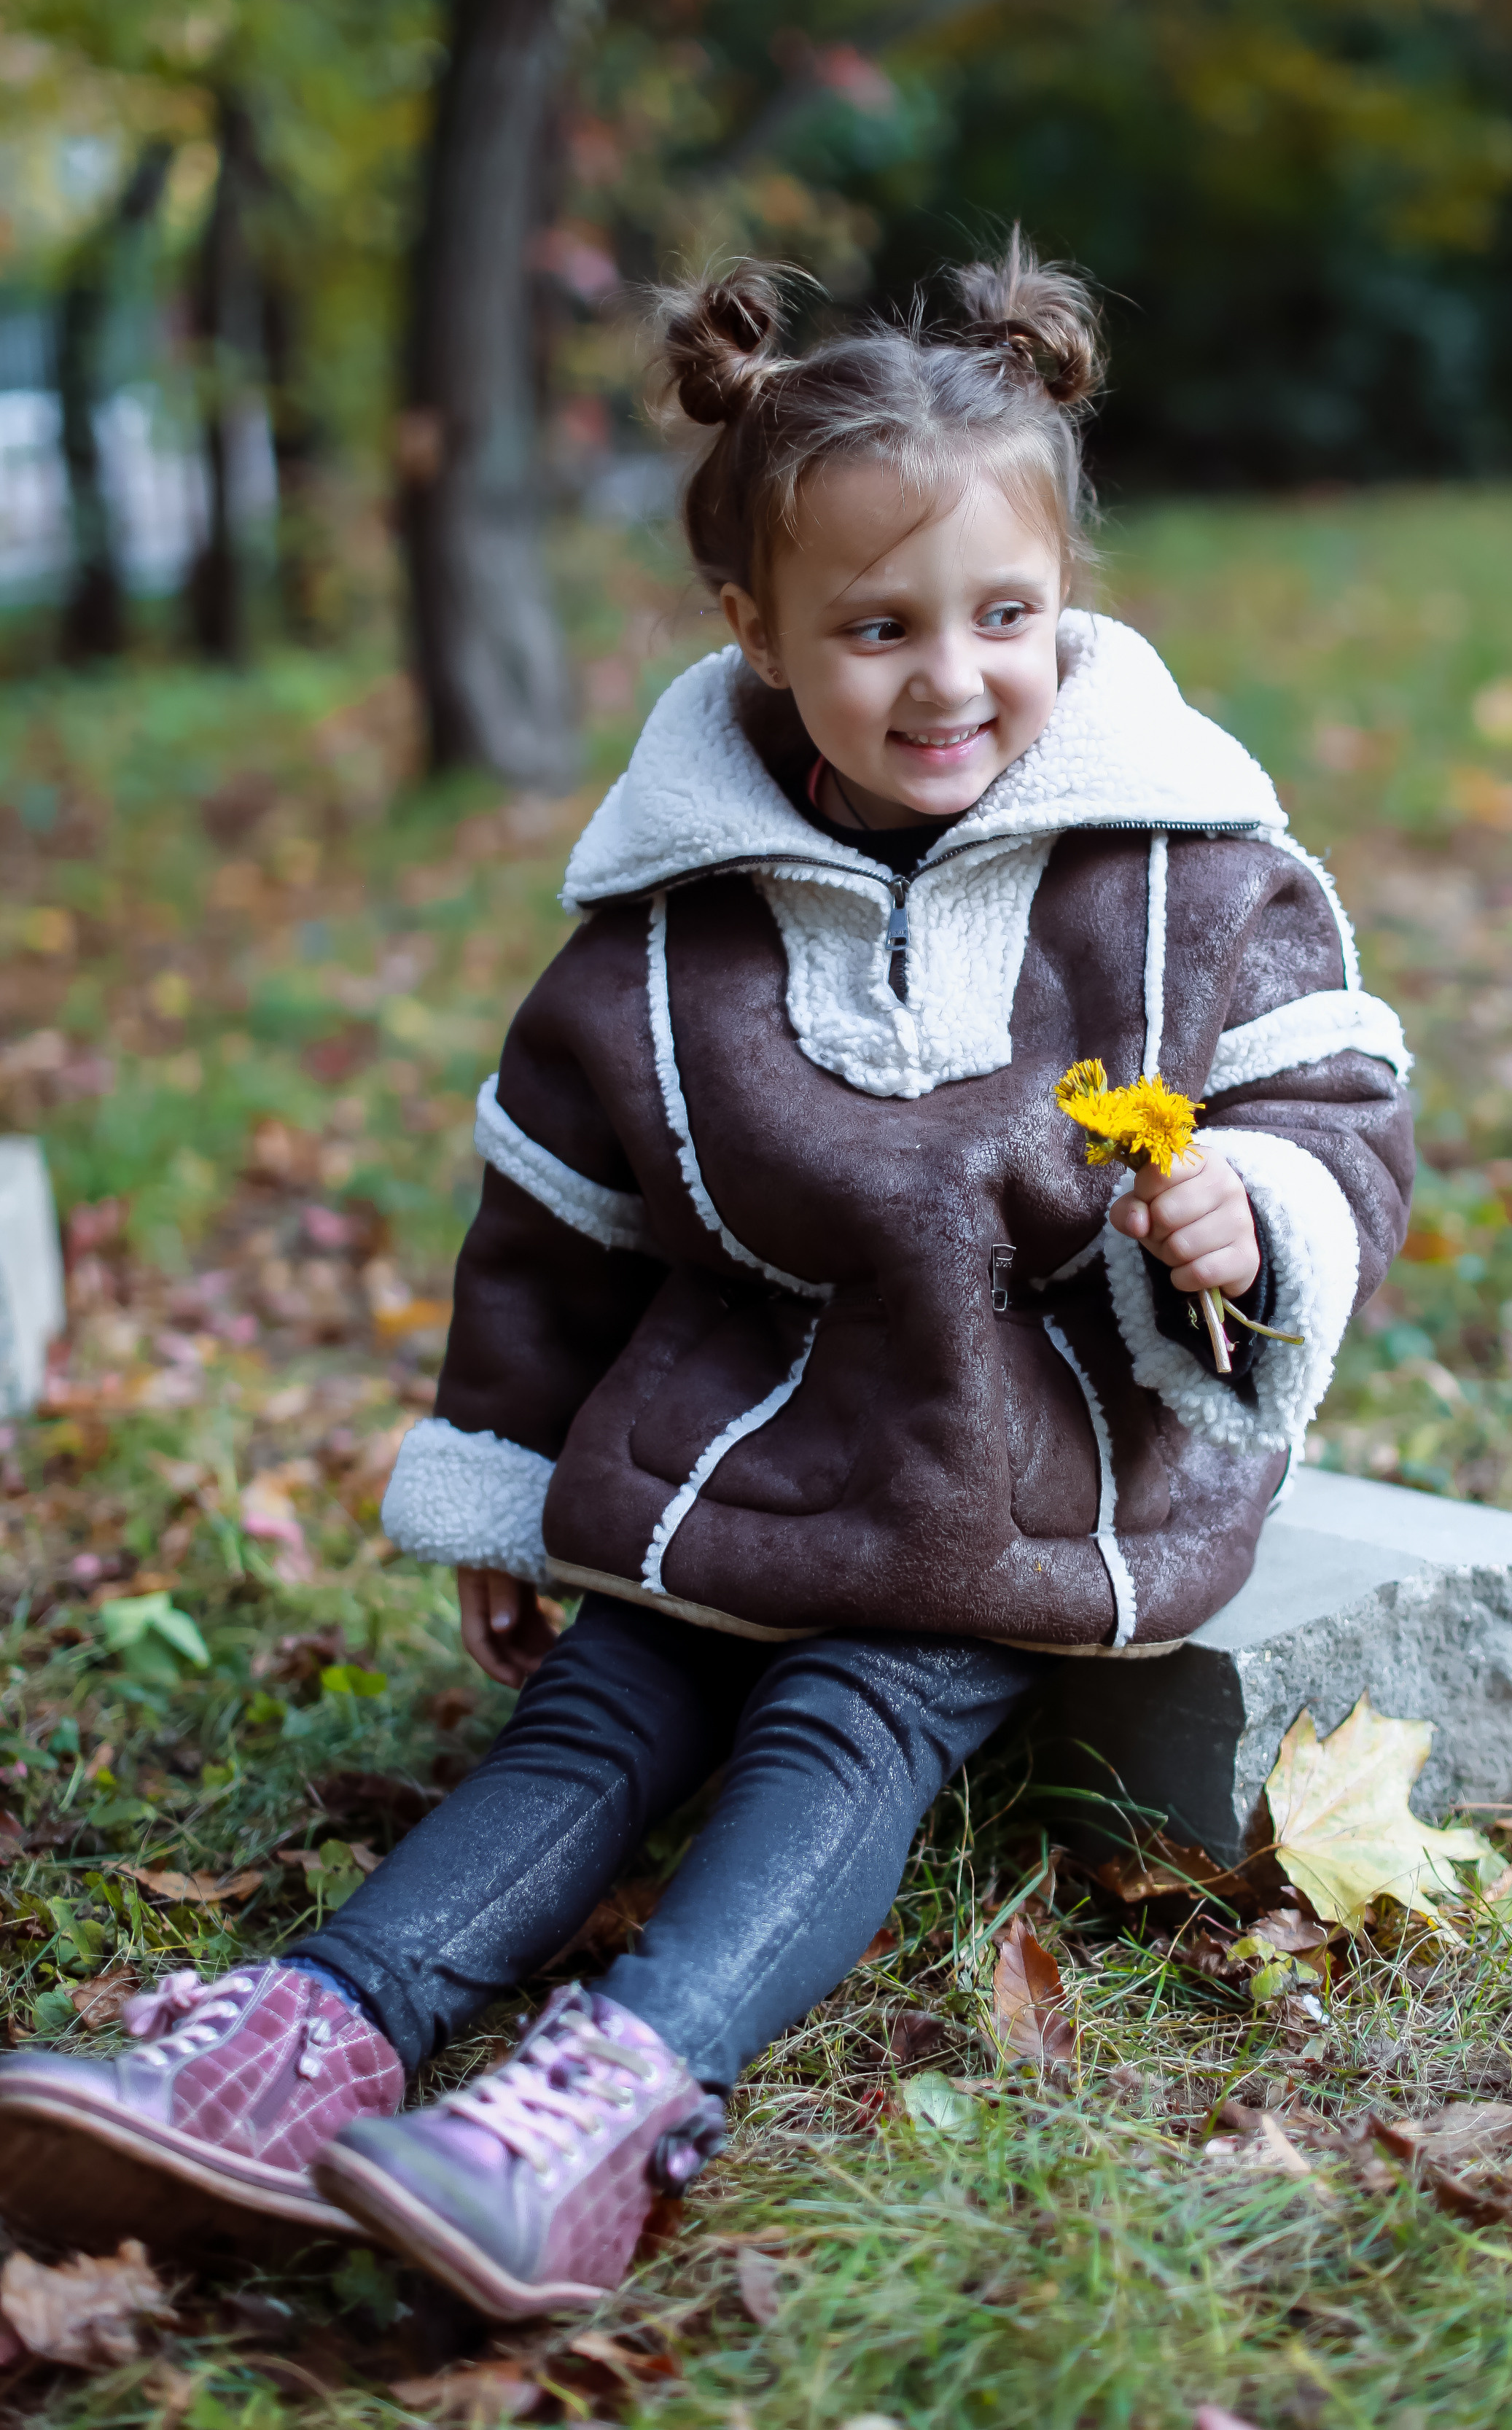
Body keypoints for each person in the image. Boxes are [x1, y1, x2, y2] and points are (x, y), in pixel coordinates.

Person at [0, 238, 1413, 2318]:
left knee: (846, 1713)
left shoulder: (1183, 869)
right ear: (754, 627)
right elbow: (552, 1225)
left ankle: (611, 2097)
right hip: (731, 1437)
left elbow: (1337, 1100)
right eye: (877, 628)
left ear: (1067, 600)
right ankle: (318, 2028)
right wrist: (500, 1484)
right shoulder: (668, 927)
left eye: (1003, 616)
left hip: (1018, 1449)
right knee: (606, 1701)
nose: (951, 680)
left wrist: (1258, 1207)